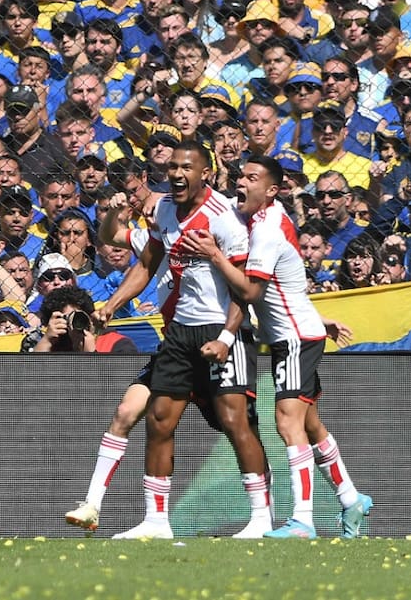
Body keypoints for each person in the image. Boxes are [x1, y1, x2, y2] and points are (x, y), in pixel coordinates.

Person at [181, 155, 373, 539]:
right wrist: (320, 319)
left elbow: (251, 292)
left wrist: (214, 255)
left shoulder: (267, 230)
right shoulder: (268, 216)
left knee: (287, 422)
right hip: (302, 330)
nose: (241, 183)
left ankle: (302, 520)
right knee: (310, 423)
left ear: (272, 190)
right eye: (240, 176)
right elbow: (291, 285)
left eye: (252, 178)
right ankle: (352, 499)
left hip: (293, 340)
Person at [92, 141, 270, 539]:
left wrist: (226, 335)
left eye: (186, 167)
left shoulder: (225, 217)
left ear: (205, 173)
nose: (176, 174)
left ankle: (261, 518)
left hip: (223, 329)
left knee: (234, 421)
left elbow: (245, 289)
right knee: (158, 420)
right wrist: (112, 304)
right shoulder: (166, 211)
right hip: (179, 333)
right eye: (171, 166)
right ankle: (156, 522)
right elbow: (147, 262)